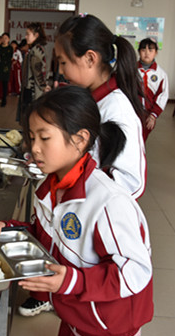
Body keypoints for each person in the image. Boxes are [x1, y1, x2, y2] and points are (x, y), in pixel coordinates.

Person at [0, 86, 153, 336]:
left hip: (105, 325)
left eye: (44, 138)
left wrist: (72, 282)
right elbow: (50, 235)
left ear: (80, 139)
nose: (34, 148)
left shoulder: (108, 203)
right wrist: (13, 230)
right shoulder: (51, 186)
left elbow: (135, 272)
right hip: (75, 311)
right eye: (31, 137)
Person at [54, 14, 146, 200]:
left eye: (63, 62)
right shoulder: (94, 100)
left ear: (90, 58)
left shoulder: (116, 110)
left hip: (98, 213)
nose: (61, 71)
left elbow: (130, 184)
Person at [137, 37, 169, 140]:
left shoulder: (161, 74)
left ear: (156, 53)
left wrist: (153, 115)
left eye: (150, 50)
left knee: (142, 138)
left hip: (148, 114)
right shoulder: (131, 69)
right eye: (143, 50)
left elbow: (162, 96)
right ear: (139, 52)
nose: (146, 53)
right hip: (132, 111)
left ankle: (140, 155)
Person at [18, 22, 49, 121]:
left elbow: (37, 71)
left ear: (36, 35)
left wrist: (43, 86)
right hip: (31, 88)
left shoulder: (36, 51)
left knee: (30, 117)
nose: (26, 37)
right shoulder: (36, 49)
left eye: (28, 34)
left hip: (32, 90)